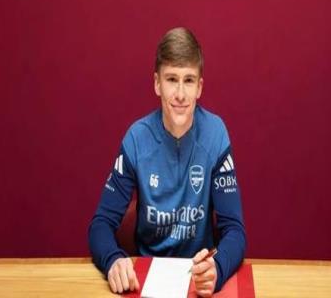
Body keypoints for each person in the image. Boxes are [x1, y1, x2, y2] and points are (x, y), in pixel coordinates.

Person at [88, 27, 246, 297]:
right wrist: (113, 260)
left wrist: (217, 268)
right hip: (146, 280)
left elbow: (235, 230)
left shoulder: (215, 134)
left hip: (198, 278)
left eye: (189, 80)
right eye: (172, 79)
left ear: (199, 87)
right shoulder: (137, 138)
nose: (180, 94)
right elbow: (100, 224)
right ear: (157, 84)